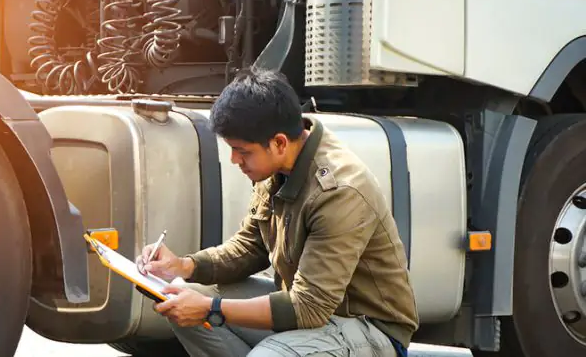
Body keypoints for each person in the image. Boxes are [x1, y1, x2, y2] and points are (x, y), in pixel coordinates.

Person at [136, 66, 419, 356]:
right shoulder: (276, 168)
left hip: (369, 328)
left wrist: (213, 308)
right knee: (179, 300)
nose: (235, 160)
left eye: (243, 151)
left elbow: (309, 307)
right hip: (314, 312)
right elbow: (250, 247)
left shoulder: (339, 191)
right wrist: (183, 266)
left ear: (279, 142)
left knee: (266, 351)